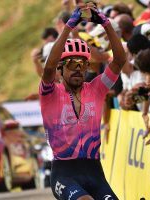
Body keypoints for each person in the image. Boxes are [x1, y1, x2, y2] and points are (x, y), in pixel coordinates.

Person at [39, 5, 126, 200]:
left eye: (83, 64)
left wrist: (106, 23)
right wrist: (68, 27)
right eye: (72, 64)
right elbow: (48, 67)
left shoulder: (96, 88)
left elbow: (119, 60)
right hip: (64, 174)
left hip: (95, 172)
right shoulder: (50, 93)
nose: (78, 69)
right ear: (61, 68)